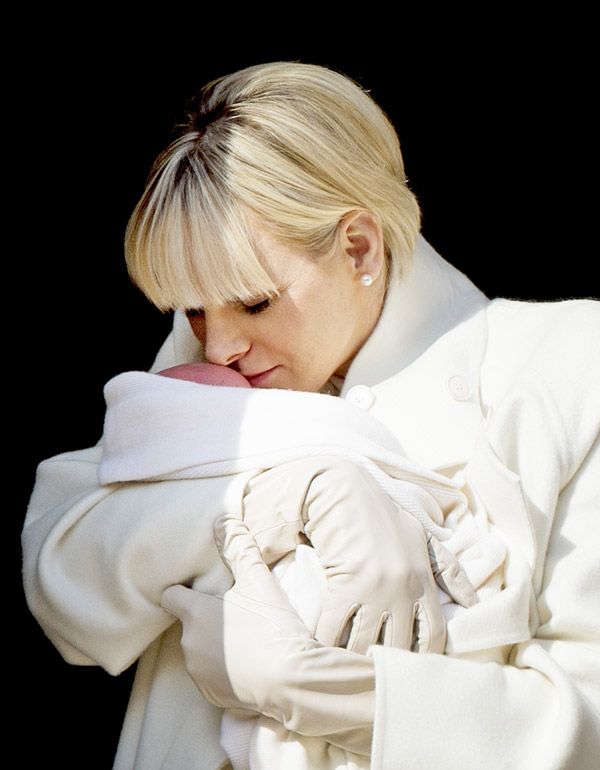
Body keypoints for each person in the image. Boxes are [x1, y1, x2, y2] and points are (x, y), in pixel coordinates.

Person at [22, 61, 599, 770]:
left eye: (255, 301)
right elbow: (64, 580)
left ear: (360, 247)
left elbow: (585, 723)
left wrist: (306, 686)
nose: (220, 345)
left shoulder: (567, 365)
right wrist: (279, 495)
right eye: (194, 309)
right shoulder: (208, 361)